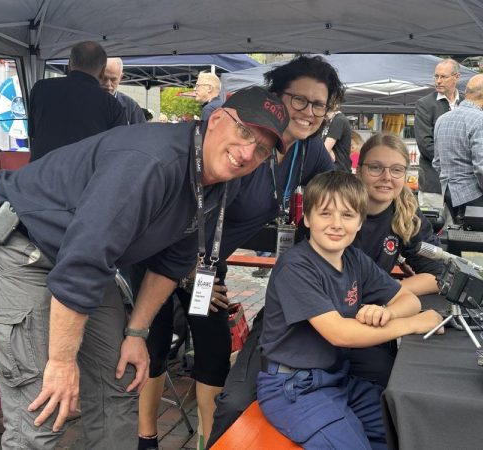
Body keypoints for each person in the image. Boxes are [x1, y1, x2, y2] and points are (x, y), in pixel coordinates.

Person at [0, 86, 289, 450]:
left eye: (261, 149)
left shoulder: (218, 182)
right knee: (45, 406)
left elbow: (172, 263)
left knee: (119, 384)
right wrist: (61, 361)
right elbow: (83, 265)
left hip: (82, 258)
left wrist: (137, 334)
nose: (247, 152)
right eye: (244, 132)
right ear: (216, 119)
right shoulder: (152, 161)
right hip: (20, 246)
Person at [139, 55, 342, 450]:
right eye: (299, 100)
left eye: (319, 104)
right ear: (277, 97)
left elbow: (340, 196)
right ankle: (146, 439)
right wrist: (187, 272)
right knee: (155, 345)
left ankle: (209, 443)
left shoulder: (310, 152)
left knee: (214, 356)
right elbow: (185, 205)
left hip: (208, 266)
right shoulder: (248, 142)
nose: (309, 112)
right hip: (163, 255)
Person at [257, 171, 443, 449]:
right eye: (325, 214)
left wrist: (387, 312)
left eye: (347, 215)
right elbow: (340, 333)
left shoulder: (354, 259)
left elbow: (409, 300)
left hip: (337, 379)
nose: (336, 224)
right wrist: (413, 324)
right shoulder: (296, 266)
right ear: (307, 218)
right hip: (293, 386)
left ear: (359, 221)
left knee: (404, 431)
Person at [349, 132, 445, 385]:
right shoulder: (339, 209)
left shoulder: (407, 215)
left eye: (396, 170)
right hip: (330, 317)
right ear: (359, 171)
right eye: (376, 167)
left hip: (374, 317)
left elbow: (439, 274)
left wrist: (390, 290)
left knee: (388, 378)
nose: (386, 177)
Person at [27, 41, 126, 161]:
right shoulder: (112, 105)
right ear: (102, 70)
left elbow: (33, 134)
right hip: (85, 172)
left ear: (69, 64)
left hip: (40, 169)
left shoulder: (40, 89)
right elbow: (118, 151)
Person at [433, 74, 483, 224]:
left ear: (466, 93)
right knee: (481, 238)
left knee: (459, 235)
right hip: (473, 194)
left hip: (449, 192)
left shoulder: (442, 119)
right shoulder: (481, 120)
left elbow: (437, 162)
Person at [413, 58, 461, 209]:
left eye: (443, 77)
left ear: (456, 77)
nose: (438, 81)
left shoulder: (466, 103)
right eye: (436, 76)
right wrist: (454, 163)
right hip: (434, 184)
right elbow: (425, 144)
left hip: (462, 186)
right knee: (432, 222)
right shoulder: (425, 104)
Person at [100, 57, 147, 124]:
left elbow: (141, 130)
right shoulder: (85, 101)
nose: (108, 84)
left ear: (121, 77)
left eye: (113, 79)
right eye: (104, 78)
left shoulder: (131, 107)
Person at [324, 106, 352, 172]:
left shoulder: (339, 120)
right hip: (333, 168)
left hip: (338, 170)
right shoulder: (329, 121)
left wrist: (327, 149)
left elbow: (325, 149)